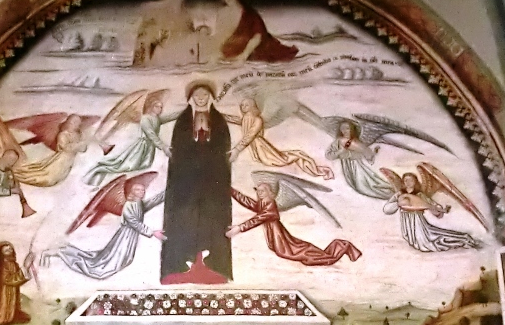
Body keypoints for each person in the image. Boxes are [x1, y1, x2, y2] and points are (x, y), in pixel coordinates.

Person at [159, 82, 234, 282]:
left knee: (212, 219)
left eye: (205, 95)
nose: (201, 99)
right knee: (184, 218)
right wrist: (194, 140)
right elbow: (178, 148)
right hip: (186, 180)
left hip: (212, 178)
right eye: (197, 95)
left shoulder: (218, 120)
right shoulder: (183, 120)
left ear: (210, 97)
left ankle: (212, 266)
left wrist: (208, 141)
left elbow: (223, 148)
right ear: (191, 97)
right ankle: (180, 266)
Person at [43, 179, 166, 281]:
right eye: (138, 189)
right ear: (132, 192)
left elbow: (151, 203)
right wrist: (152, 232)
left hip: (130, 237)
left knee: (114, 260)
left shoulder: (138, 203)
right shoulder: (129, 205)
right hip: (124, 237)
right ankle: (59, 252)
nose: (142, 191)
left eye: (143, 189)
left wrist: (166, 192)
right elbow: (133, 222)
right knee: (103, 268)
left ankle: (63, 251)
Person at [228, 181, 361, 266]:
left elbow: (259, 218)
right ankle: (342, 247)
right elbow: (249, 203)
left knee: (301, 254)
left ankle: (344, 246)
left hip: (279, 237)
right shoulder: (264, 203)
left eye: (262, 191)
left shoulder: (270, 204)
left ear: (269, 193)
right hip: (277, 236)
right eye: (257, 190)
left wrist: (240, 228)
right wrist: (231, 191)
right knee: (299, 250)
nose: (259, 193)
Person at [225, 98, 332, 178]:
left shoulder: (258, 120)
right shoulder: (245, 119)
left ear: (253, 106)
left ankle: (317, 170)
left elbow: (250, 135)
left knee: (282, 159)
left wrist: (237, 149)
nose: (243, 107)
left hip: (260, 146)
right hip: (253, 147)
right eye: (242, 105)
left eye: (246, 105)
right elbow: (232, 119)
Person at [85, 94, 177, 184]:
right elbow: (151, 134)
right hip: (140, 148)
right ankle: (97, 175)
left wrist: (180, 113)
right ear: (151, 106)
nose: (159, 109)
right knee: (126, 166)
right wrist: (163, 146)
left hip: (148, 148)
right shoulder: (145, 119)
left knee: (140, 166)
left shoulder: (155, 118)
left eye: (161, 107)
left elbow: (168, 118)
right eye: (157, 106)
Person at [215, 0, 298, 63]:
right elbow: (220, 33)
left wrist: (244, 55)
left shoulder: (249, 13)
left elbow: (258, 36)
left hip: (250, 47)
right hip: (230, 46)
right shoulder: (221, 12)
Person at [325, 120, 394, 200]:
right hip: (349, 167)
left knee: (367, 182)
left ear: (352, 130)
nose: (345, 131)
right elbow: (328, 155)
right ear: (340, 130)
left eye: (348, 128)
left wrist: (374, 152)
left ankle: (388, 192)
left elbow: (365, 154)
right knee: (361, 185)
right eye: (343, 129)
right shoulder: (338, 141)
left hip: (359, 165)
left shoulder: (356, 141)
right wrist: (340, 151)